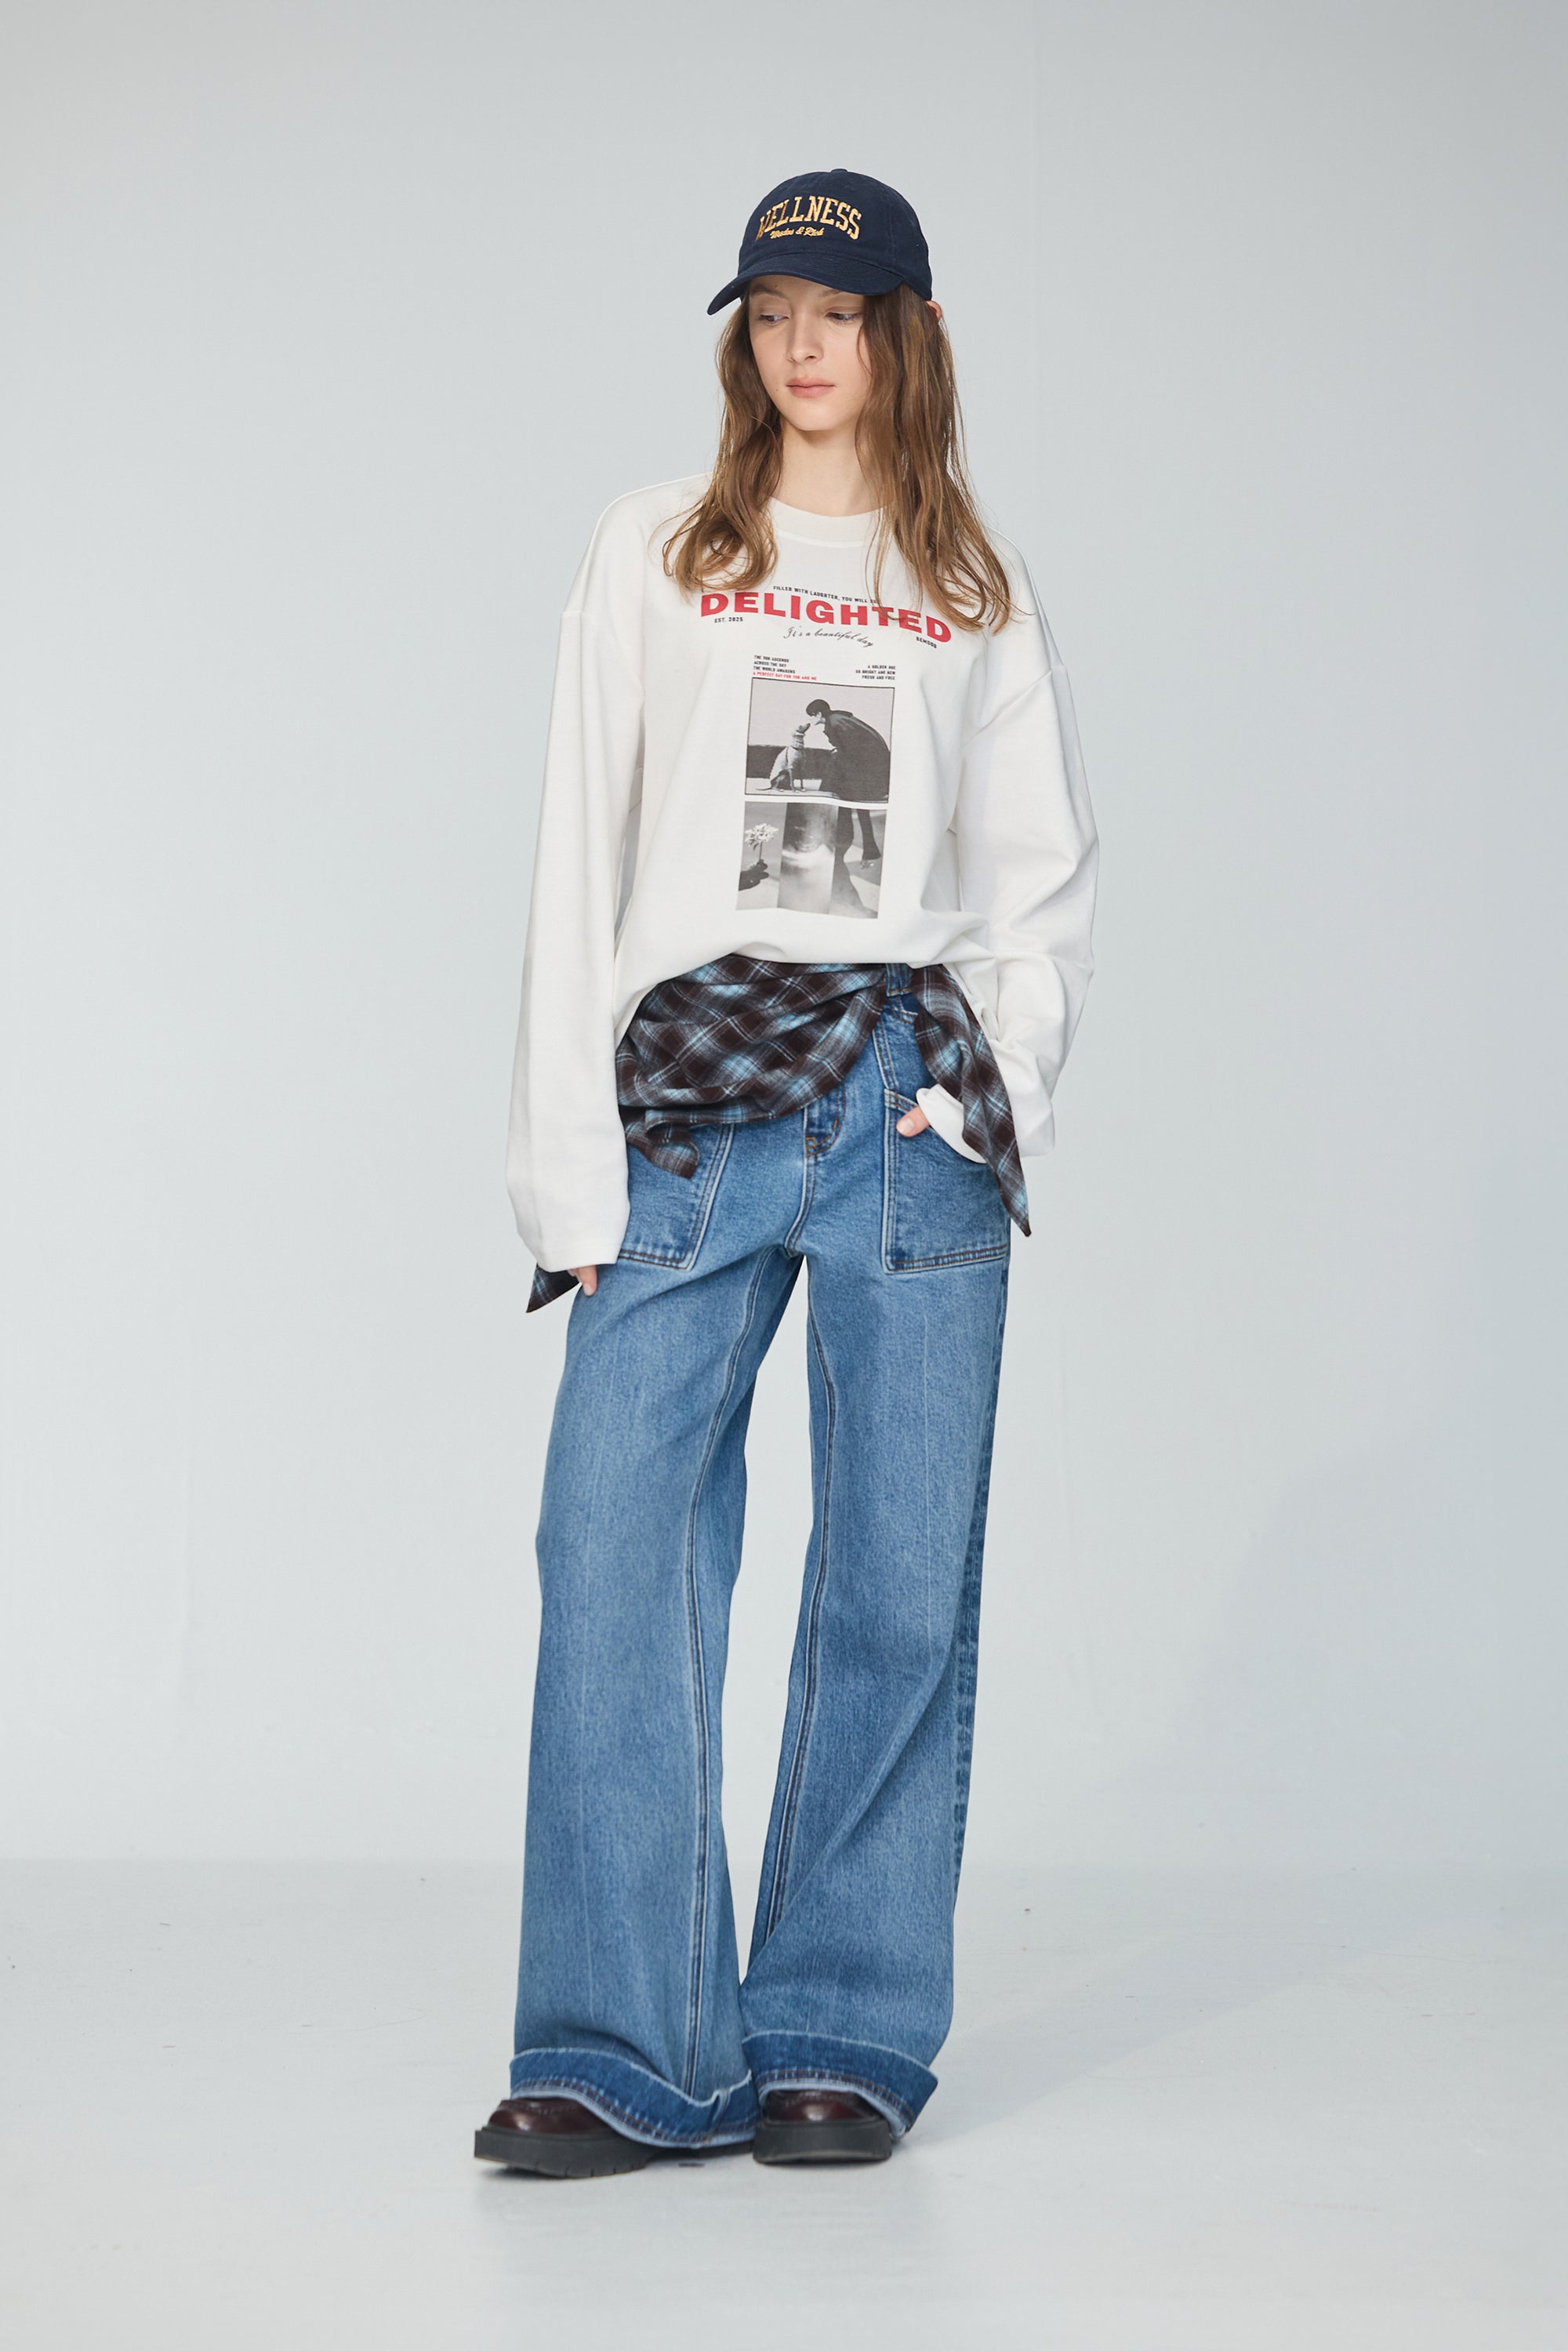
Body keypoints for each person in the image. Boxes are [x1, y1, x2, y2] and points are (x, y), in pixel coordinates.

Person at [477, 167, 1098, 2180]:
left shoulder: (970, 584)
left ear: (907, 332)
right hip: (694, 1092)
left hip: (905, 1096)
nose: (801, 345)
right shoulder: (660, 547)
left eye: (836, 310)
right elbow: (579, 853)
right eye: (767, 311)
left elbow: (1039, 881)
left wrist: (988, 1083)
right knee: (612, 1542)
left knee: (898, 1577)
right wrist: (566, 1179)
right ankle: (621, 2046)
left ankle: (839, 2027)